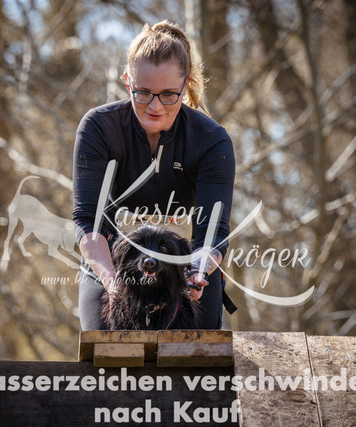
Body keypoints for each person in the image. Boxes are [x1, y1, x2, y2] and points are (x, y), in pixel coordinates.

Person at [72, 20, 235, 330]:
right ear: (127, 82)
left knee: (200, 347)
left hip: (186, 263)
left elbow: (213, 232)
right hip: (112, 261)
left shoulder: (211, 141)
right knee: (101, 343)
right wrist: (112, 281)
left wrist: (198, 271)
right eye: (143, 93)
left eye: (169, 94)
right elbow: (87, 219)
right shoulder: (98, 128)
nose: (155, 106)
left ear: (186, 85)